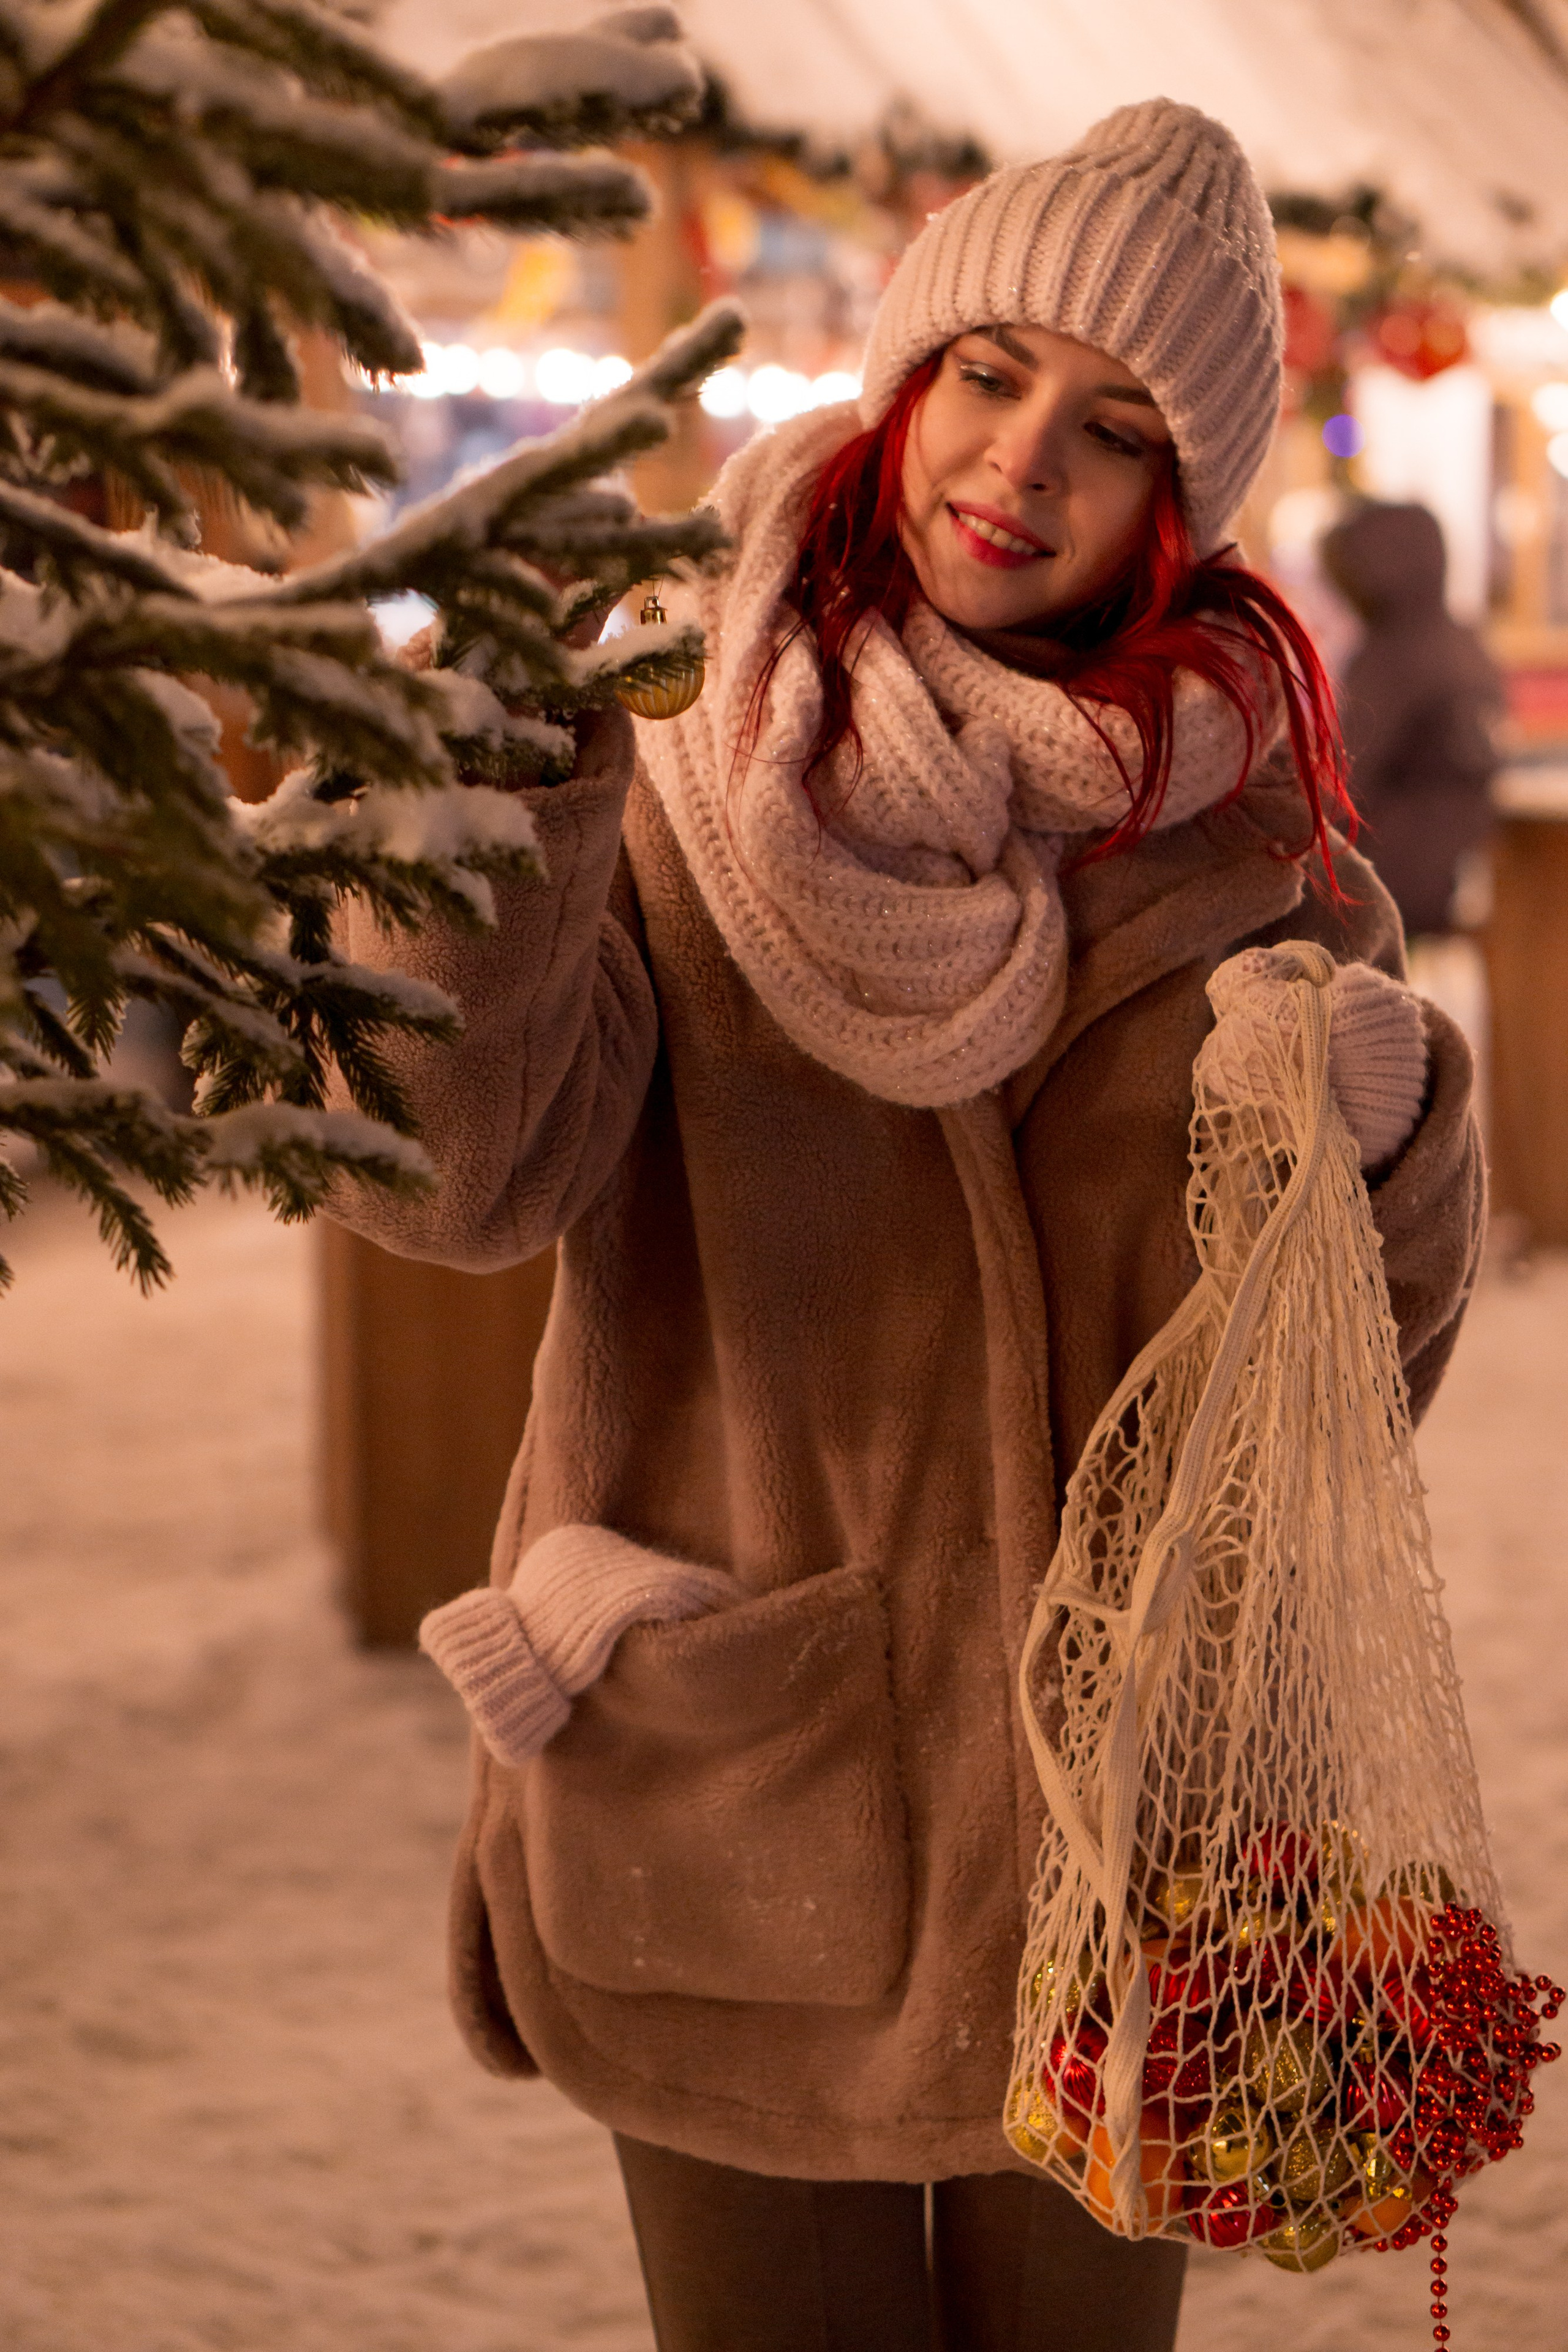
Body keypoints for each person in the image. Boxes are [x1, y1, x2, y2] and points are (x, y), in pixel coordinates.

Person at [331, 100, 1482, 2352]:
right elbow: (461, 1188)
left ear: (1180, 498)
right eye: (988, 371)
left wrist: (1389, 1145)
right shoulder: (672, 752)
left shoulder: (1252, 838)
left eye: (1114, 425)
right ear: (901, 374)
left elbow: (1357, 1394)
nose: (1020, 459)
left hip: (1137, 1840)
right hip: (758, 1768)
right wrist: (494, 805)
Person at [1321, 498, 1503, 940]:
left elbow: (1342, 783)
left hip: (1384, 881)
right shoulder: (1464, 644)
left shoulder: (1394, 658)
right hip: (1455, 872)